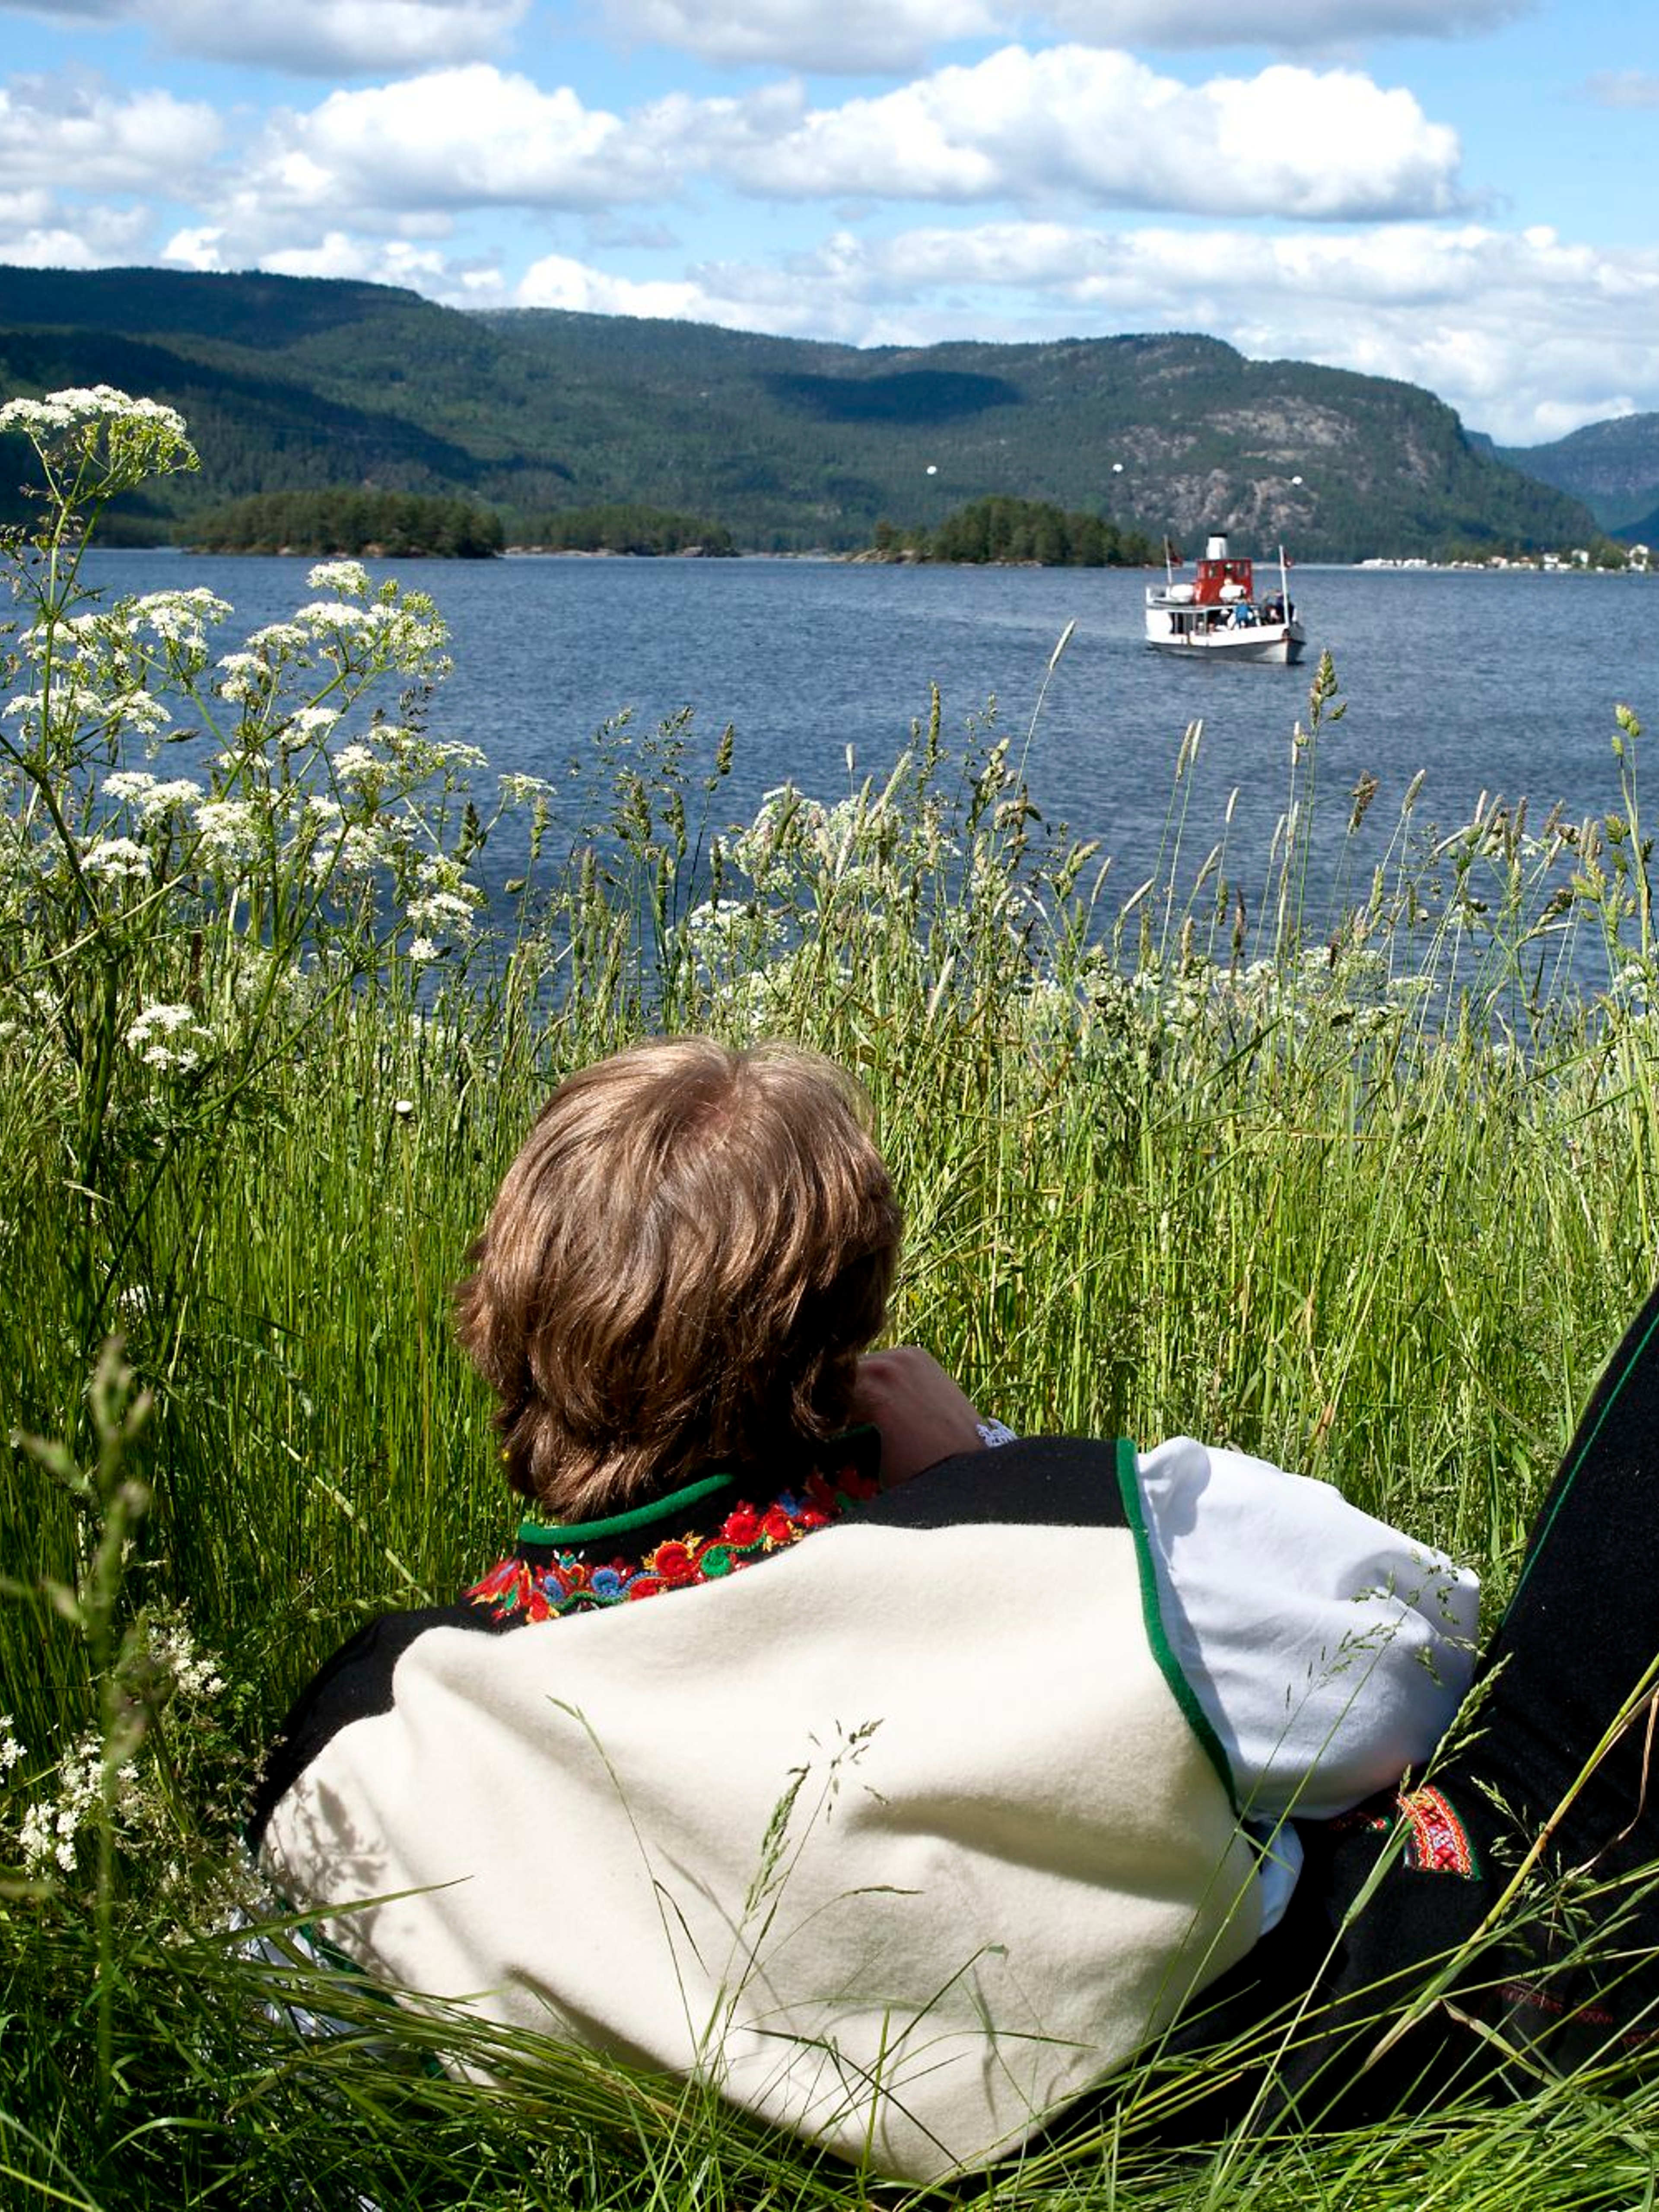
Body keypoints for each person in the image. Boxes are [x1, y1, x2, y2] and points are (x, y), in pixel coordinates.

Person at [250, 1039, 1659, 2179]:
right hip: (1341, 2065)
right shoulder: (1062, 1542)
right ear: (849, 1333)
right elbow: (1417, 1653)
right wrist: (982, 1463)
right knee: (1537, 1769)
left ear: (498, 1325)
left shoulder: (376, 1736)